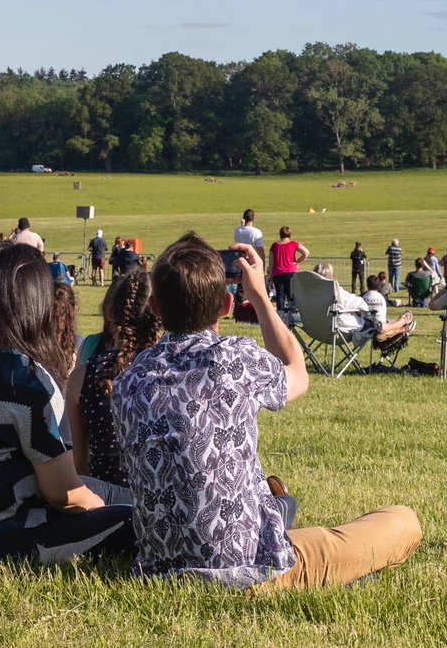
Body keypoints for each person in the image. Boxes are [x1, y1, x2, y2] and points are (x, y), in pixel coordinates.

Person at [112, 234, 421, 590]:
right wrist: (260, 297)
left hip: (159, 571)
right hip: (248, 568)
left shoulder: (129, 380)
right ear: (227, 306)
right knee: (402, 521)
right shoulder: (235, 359)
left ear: (154, 308)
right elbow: (297, 371)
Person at [0, 242, 134, 564]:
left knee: (108, 492)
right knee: (135, 520)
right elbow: (63, 496)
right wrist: (104, 509)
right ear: (38, 305)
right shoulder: (26, 379)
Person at [65, 270, 160, 486]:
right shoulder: (173, 370)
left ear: (110, 313)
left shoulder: (82, 377)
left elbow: (80, 462)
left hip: (105, 503)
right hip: (160, 503)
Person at [268, 226, 308, 317]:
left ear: (280, 234)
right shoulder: (293, 244)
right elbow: (306, 252)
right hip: (291, 272)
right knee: (291, 295)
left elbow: (271, 262)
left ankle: (281, 315)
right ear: (290, 234)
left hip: (278, 273)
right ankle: (292, 314)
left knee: (280, 296)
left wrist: (270, 275)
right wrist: (298, 262)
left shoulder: (274, 246)